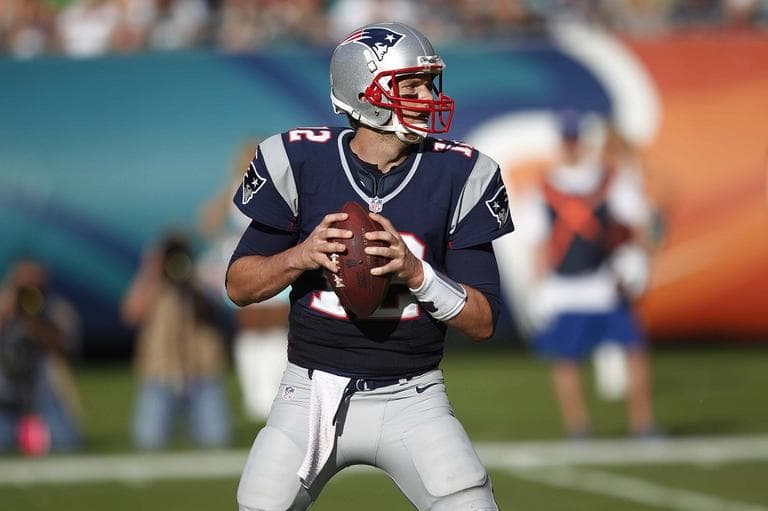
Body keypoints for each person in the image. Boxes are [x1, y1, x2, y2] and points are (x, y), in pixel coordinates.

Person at [226, 22, 513, 511]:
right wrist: (301, 255)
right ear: (367, 93)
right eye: (412, 86)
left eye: (428, 84)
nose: (428, 96)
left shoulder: (461, 173)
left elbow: (483, 320)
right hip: (309, 395)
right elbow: (239, 285)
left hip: (414, 397)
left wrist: (416, 272)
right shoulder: (300, 161)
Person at [522, 110, 658, 439]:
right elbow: (539, 245)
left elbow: (637, 227)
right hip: (564, 288)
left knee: (634, 350)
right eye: (567, 139)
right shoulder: (542, 188)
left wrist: (638, 259)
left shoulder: (611, 180)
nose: (572, 146)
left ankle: (643, 425)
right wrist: (536, 287)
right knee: (565, 360)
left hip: (604, 283)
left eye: (576, 139)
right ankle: (578, 428)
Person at [197, 141, 290, 423]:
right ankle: (255, 396)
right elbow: (207, 222)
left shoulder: (280, 183)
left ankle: (277, 392)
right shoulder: (236, 188)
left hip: (274, 258)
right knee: (249, 323)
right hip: (248, 260)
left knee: (277, 322)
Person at [121, 232, 232, 449]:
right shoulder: (153, 285)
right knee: (148, 443)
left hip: (202, 372)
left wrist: (193, 279)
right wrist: (151, 272)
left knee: (217, 440)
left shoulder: (200, 281)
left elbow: (215, 308)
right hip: (159, 373)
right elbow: (130, 315)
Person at [0, 256, 83, 454]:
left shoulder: (55, 309)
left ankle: (28, 434)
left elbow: (65, 348)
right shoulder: (4, 306)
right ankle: (23, 434)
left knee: (67, 441)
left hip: (43, 394)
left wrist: (35, 324)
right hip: (4, 396)